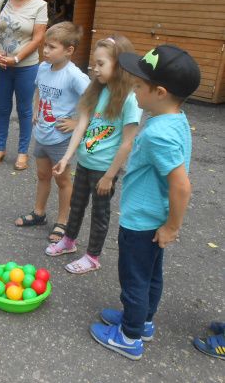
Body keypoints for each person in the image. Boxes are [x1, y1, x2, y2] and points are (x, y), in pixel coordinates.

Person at [89, 45, 201, 360]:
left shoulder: (157, 135)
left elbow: (181, 186)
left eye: (139, 85)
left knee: (134, 279)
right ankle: (143, 322)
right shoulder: (175, 118)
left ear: (160, 92)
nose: (133, 90)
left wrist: (172, 227)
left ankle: (129, 337)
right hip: (154, 218)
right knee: (151, 275)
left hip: (142, 221)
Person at [47, 35, 143, 274]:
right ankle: (68, 241)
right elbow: (81, 126)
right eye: (94, 63)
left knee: (100, 214)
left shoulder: (130, 100)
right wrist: (67, 157)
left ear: (119, 65)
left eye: (101, 64)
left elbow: (127, 143)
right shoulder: (96, 91)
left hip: (104, 170)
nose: (94, 68)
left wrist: (110, 176)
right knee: (77, 205)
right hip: (85, 162)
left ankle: (92, 257)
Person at [14, 22, 90, 243]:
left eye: (51, 47)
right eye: (45, 46)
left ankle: (63, 222)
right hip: (42, 134)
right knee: (42, 175)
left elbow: (95, 103)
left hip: (61, 139)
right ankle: (39, 213)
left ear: (69, 50)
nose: (45, 51)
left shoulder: (75, 76)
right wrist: (37, 108)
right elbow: (39, 89)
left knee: (63, 181)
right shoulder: (43, 68)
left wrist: (77, 123)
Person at [0, 0, 48, 171]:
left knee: (24, 111)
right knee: (2, 108)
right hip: (0, 65)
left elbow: (38, 38)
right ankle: (0, 148)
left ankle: (22, 153)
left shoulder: (40, 5)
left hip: (26, 67)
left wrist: (16, 58)